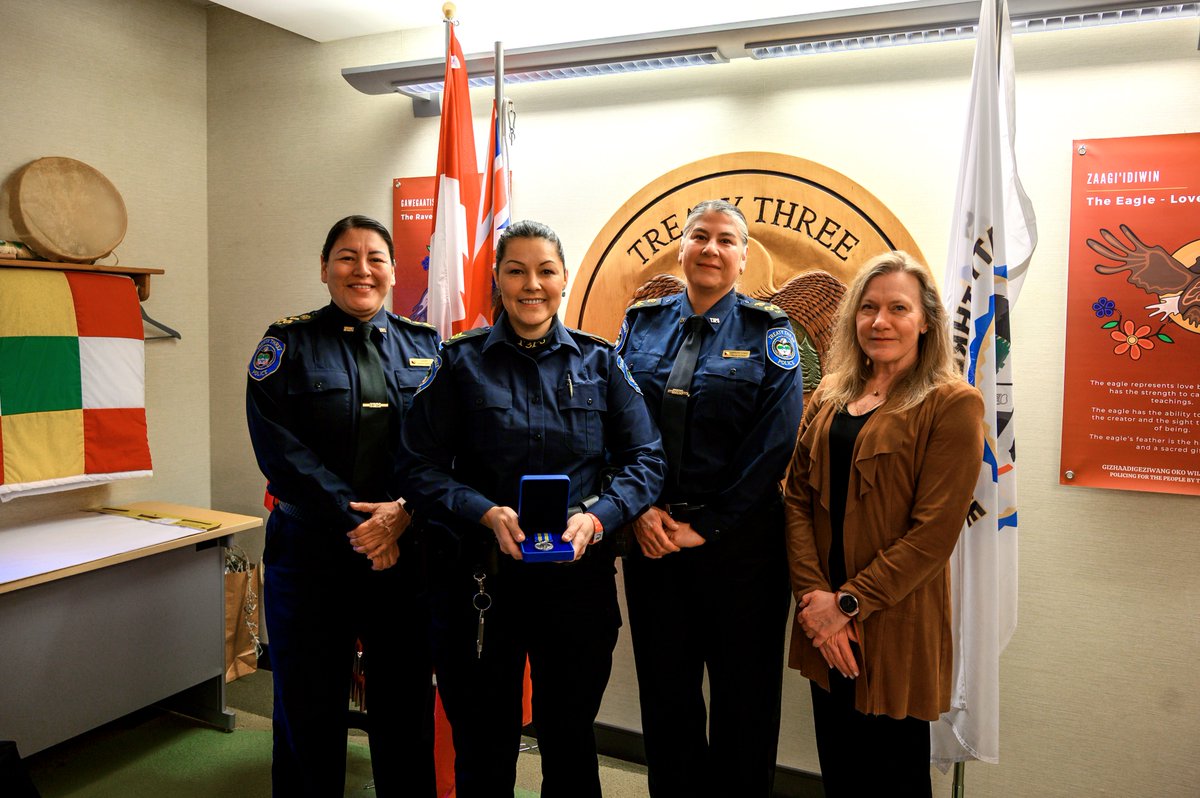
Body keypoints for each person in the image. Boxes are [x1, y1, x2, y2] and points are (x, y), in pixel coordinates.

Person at [402, 219, 665, 798]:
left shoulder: (600, 363)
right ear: (496, 278)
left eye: (545, 270)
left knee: (569, 737)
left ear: (564, 279)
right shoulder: (458, 363)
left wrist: (598, 518)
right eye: (516, 270)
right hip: (481, 583)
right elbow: (416, 467)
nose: (531, 284)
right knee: (484, 740)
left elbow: (646, 458)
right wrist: (483, 512)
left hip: (576, 580)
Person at [616, 199, 805, 797]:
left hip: (741, 550)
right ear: (682, 248)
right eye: (701, 236)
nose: (712, 249)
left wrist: (713, 525)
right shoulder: (640, 325)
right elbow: (616, 424)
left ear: (744, 257)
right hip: (654, 540)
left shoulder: (770, 332)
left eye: (727, 240)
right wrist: (639, 509)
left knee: (743, 706)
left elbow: (775, 442)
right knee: (666, 699)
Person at [245, 215, 438, 797]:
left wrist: (401, 513)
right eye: (347, 257)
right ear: (324, 269)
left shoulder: (426, 346)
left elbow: (443, 447)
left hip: (404, 552)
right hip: (311, 554)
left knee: (404, 704)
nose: (363, 269)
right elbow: (278, 450)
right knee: (308, 703)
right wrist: (363, 525)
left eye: (376, 257)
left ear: (393, 271)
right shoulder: (287, 343)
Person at [783, 251, 985, 797]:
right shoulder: (830, 394)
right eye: (868, 307)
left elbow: (933, 534)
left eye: (899, 307)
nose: (881, 321)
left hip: (895, 622)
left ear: (926, 321)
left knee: (893, 779)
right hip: (822, 622)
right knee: (841, 774)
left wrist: (846, 604)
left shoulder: (952, 404)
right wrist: (813, 600)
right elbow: (797, 498)